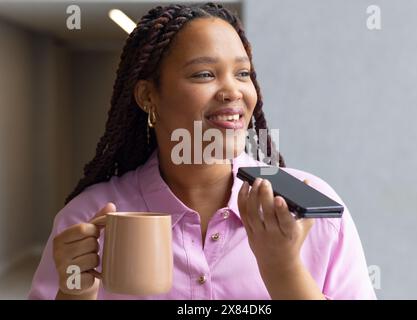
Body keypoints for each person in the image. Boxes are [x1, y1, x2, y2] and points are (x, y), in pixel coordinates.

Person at [28, 2, 376, 300]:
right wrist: (73, 294)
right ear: (148, 96)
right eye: (204, 74)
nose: (233, 91)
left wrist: (283, 269)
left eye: (243, 73)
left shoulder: (316, 213)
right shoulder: (87, 219)